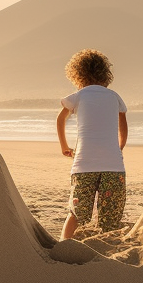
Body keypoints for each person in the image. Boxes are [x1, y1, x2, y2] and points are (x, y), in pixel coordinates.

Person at [55, 50, 129, 240]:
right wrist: (118, 148)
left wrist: (64, 146)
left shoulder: (78, 96)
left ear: (78, 74)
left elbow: (60, 119)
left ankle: (64, 244)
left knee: (76, 213)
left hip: (84, 165)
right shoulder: (114, 96)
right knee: (110, 218)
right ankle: (108, 251)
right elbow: (123, 127)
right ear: (105, 74)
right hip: (113, 166)